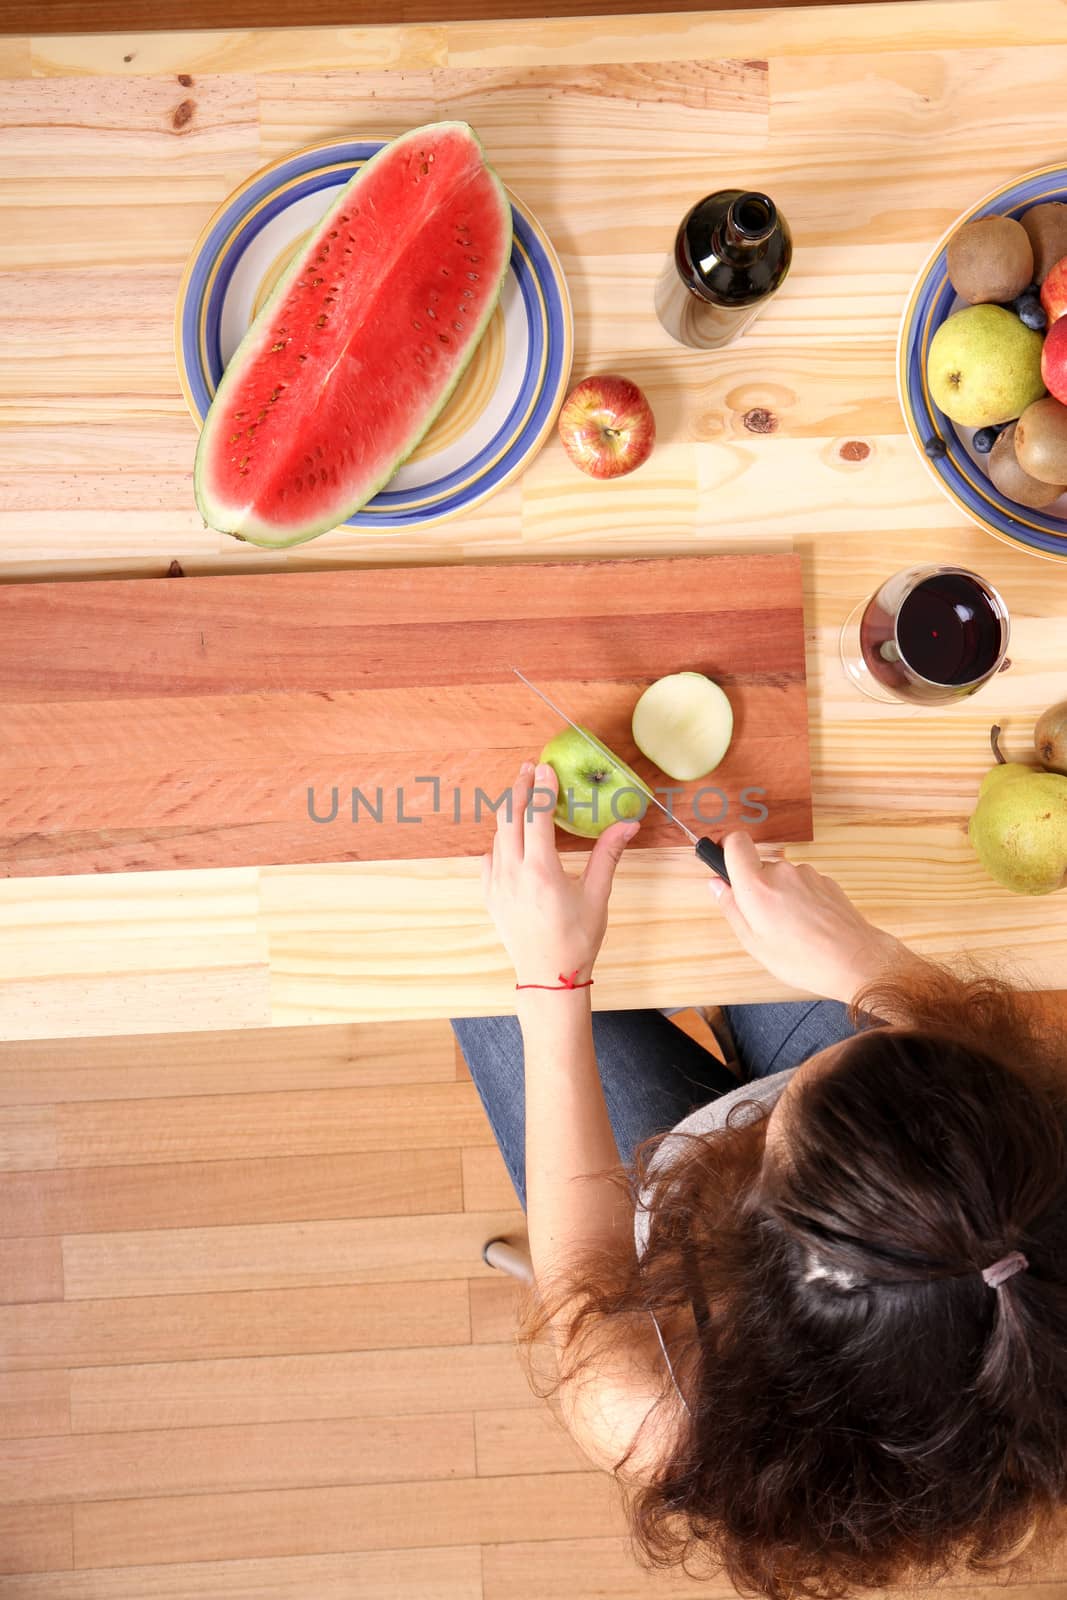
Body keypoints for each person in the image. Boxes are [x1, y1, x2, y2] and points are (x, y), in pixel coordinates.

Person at [453, 760, 1067, 1600]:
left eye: (780, 1115)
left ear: (750, 1229)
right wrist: (869, 962)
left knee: (470, 963)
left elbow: (580, 1281)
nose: (750, 1114)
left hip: (645, 1233)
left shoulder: (647, 1403)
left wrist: (548, 978)